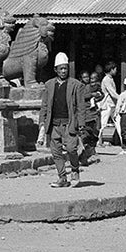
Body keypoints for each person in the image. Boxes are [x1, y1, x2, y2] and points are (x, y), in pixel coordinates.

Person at [38, 51, 89, 188]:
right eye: (61, 68)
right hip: (54, 124)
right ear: (56, 69)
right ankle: (62, 178)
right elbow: (44, 105)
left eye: (65, 68)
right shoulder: (49, 85)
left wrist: (81, 124)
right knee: (56, 152)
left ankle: (74, 170)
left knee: (72, 149)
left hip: (69, 123)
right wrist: (42, 122)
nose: (63, 71)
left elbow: (81, 106)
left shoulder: (76, 85)